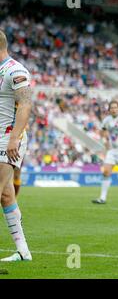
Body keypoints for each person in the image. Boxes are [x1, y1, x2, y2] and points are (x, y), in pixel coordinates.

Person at [0, 30, 32, 261]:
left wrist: (14, 138)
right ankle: (23, 252)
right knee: (7, 196)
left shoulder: (15, 70)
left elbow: (25, 104)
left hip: (9, 137)